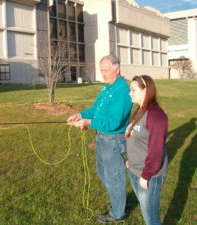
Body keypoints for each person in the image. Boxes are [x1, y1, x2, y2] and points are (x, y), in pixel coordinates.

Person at [67, 55, 132, 223]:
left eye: (106, 70)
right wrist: (80, 114)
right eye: (101, 70)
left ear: (117, 69)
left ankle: (118, 214)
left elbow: (114, 121)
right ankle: (120, 202)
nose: (103, 73)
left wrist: (90, 122)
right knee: (103, 173)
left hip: (113, 139)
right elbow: (96, 108)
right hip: (102, 138)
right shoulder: (107, 88)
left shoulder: (122, 91)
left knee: (114, 176)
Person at [125, 75, 168, 225]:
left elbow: (156, 150)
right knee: (146, 212)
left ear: (145, 91)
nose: (130, 93)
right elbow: (135, 138)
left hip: (149, 176)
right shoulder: (140, 110)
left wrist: (146, 174)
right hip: (135, 171)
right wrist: (130, 162)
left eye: (133, 90)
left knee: (150, 218)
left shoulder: (156, 115)